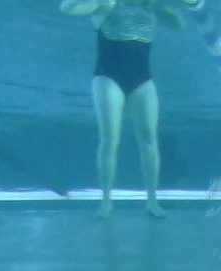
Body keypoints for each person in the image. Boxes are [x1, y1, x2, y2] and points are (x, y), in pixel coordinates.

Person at [59, 0, 192, 218]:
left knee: (149, 138)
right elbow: (66, 8)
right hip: (108, 77)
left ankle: (152, 200)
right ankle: (106, 201)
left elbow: (180, 24)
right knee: (110, 139)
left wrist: (160, 7)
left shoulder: (150, 4)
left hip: (142, 78)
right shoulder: (107, 3)